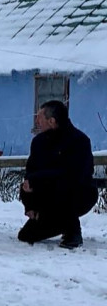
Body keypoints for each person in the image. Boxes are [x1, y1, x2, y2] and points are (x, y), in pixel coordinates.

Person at [18, 100, 97, 249]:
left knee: (65, 189)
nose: (36, 121)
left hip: (79, 194)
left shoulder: (79, 142)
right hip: (47, 197)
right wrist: (30, 203)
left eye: (39, 117)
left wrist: (37, 180)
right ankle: (54, 221)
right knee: (26, 235)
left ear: (52, 121)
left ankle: (73, 231)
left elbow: (72, 176)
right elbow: (30, 174)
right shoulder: (38, 142)